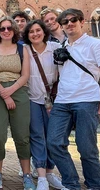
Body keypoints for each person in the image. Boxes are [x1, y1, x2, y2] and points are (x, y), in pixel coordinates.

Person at [47, 8, 100, 190]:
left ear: (82, 21)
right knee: (54, 142)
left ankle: (94, 185)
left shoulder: (96, 44)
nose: (69, 23)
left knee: (86, 148)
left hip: (87, 100)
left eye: (73, 20)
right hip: (62, 102)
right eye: (65, 22)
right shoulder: (63, 47)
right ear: (61, 26)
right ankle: (71, 183)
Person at [0, 16, 35, 190]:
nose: (6, 31)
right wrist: (4, 94)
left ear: (14, 30)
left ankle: (27, 174)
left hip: (18, 91)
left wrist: (11, 92)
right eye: (3, 28)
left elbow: (25, 75)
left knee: (22, 135)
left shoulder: (23, 49)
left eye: (9, 28)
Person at [22, 20, 64, 190]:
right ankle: (41, 177)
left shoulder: (54, 48)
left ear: (44, 32)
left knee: (53, 137)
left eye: (38, 30)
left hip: (53, 100)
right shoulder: (24, 50)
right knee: (37, 136)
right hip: (32, 99)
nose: (35, 34)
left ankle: (49, 172)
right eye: (31, 31)